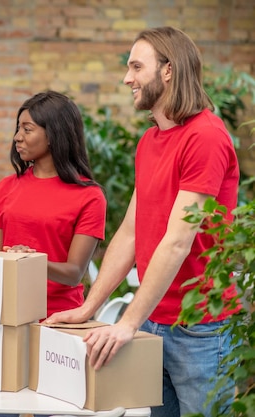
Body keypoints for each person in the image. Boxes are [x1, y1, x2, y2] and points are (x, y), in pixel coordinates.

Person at [46, 27, 240, 417]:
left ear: (168, 71)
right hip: (155, 320)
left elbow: (177, 241)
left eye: (137, 66)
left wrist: (127, 323)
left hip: (200, 328)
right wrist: (91, 308)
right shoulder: (150, 142)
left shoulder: (205, 136)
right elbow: (131, 232)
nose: (127, 78)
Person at [0, 91, 106, 417]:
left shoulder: (89, 196)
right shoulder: (5, 189)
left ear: (53, 134)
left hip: (60, 323)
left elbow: (73, 272)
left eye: (27, 129)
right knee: (0, 411)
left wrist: (32, 261)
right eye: (17, 128)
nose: (17, 137)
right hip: (8, 321)